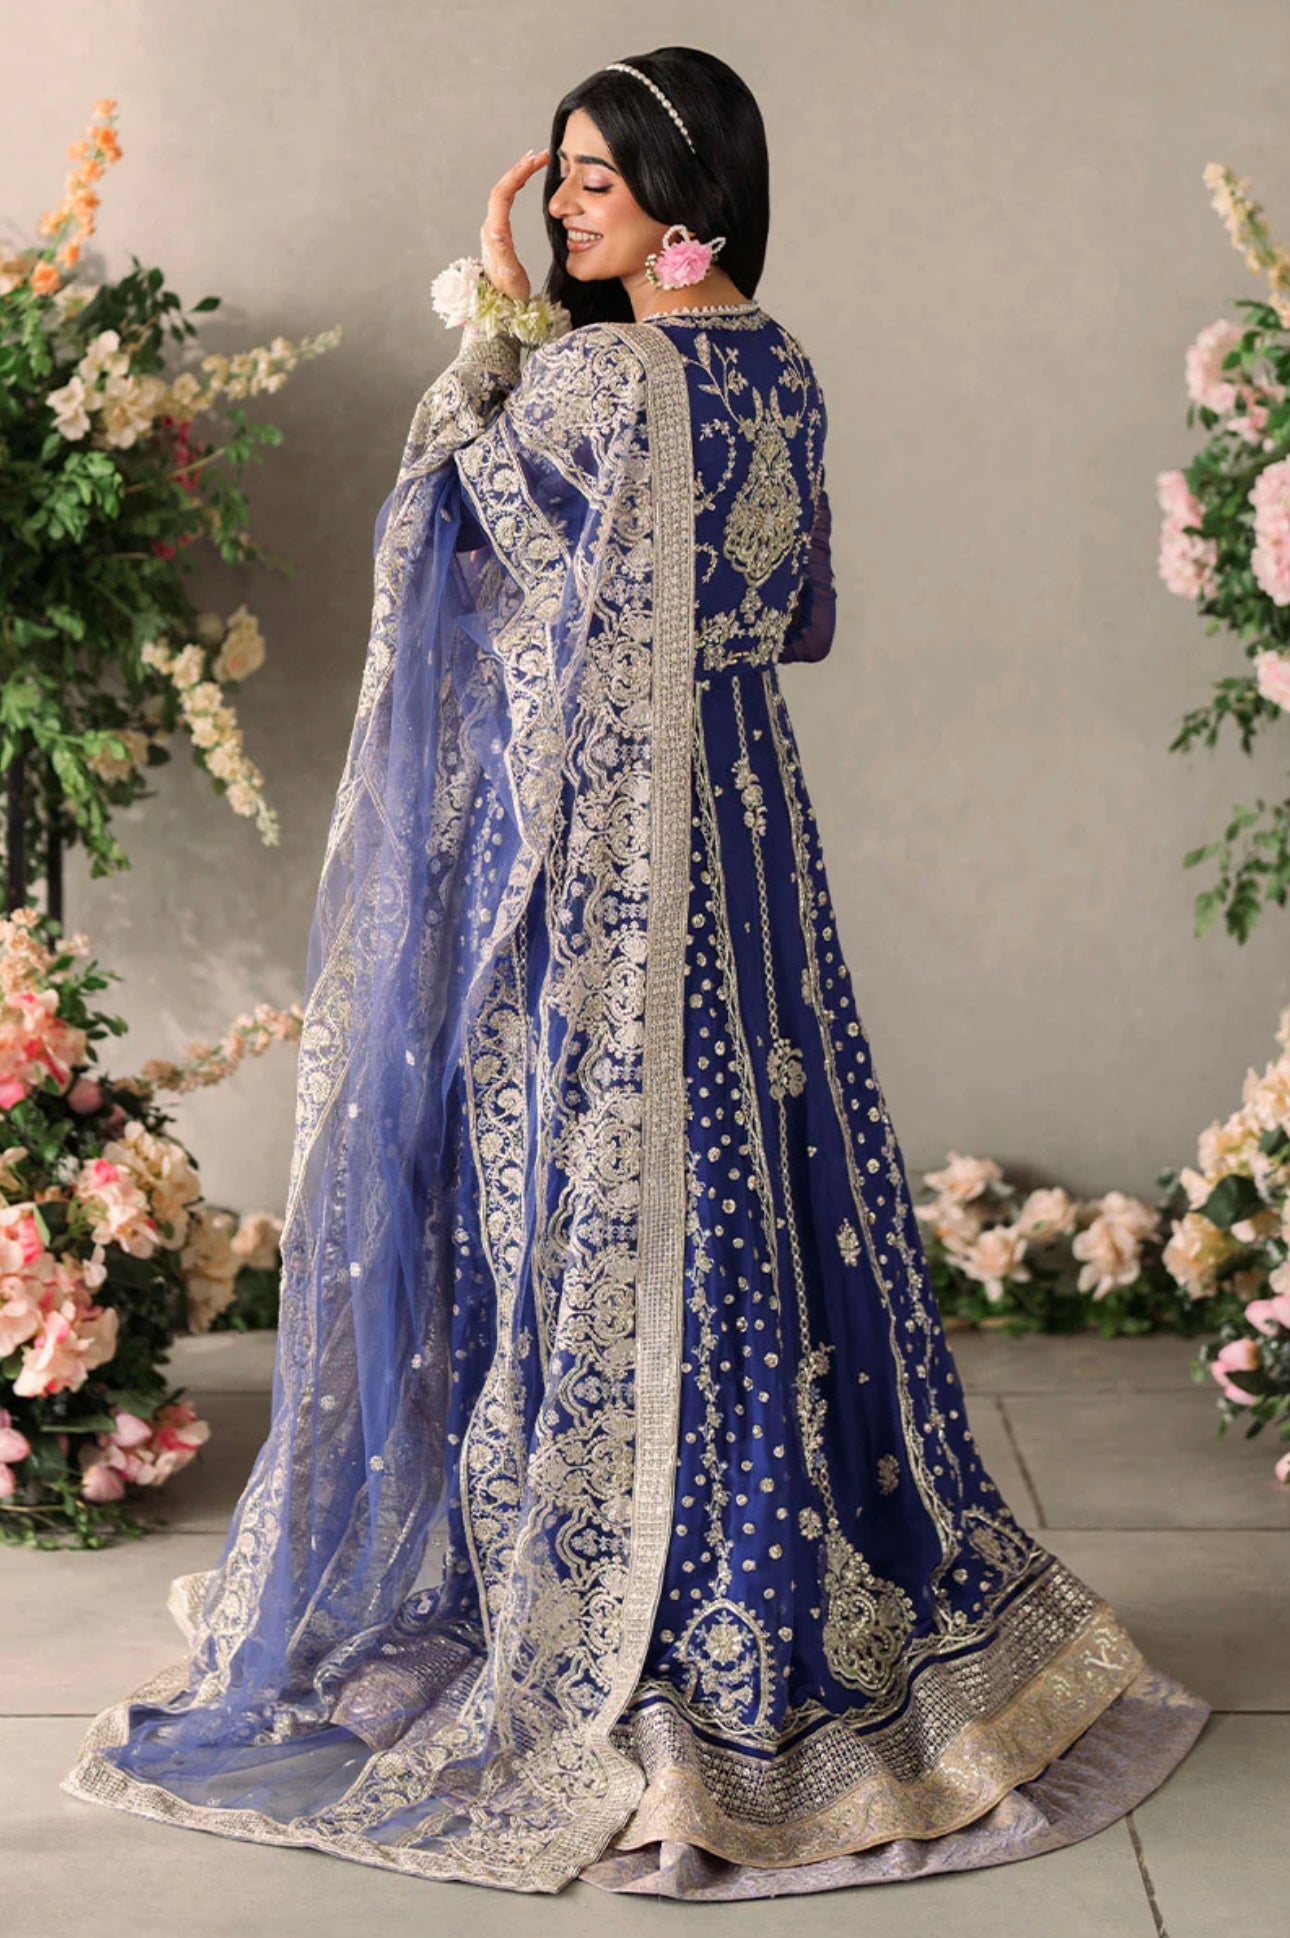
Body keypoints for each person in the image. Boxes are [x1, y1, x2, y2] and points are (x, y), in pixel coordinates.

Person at [61, 45, 1209, 1901]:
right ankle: (781, 1549)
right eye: (563, 176)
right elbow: (802, 616)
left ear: (688, 195)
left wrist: (491, 316)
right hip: (745, 828)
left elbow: (450, 551)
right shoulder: (785, 363)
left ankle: (630, 1579)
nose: (570, 205)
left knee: (602, 1188)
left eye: (596, 178)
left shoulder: (593, 377)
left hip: (605, 854)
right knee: (757, 1179)